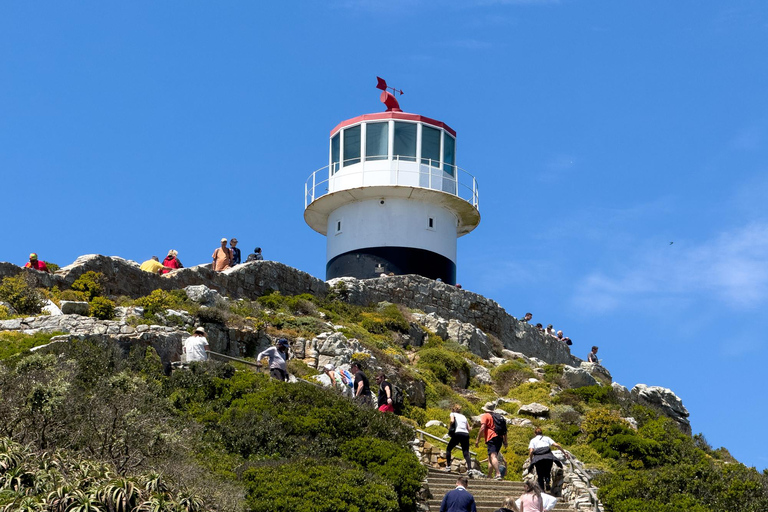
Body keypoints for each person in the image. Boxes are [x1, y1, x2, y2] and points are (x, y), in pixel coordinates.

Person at [528, 427, 567, 492]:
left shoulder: (533, 440)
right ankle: (547, 480)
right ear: (542, 433)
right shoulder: (547, 438)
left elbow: (531, 451)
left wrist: (531, 460)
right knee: (547, 471)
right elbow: (556, 445)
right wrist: (564, 453)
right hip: (548, 457)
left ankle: (542, 490)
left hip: (538, 458)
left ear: (535, 434)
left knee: (540, 474)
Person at [475, 403, 507, 480]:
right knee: (491, 457)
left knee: (493, 456)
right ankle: (489, 475)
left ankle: (498, 473)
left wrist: (477, 439)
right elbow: (505, 431)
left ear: (485, 409)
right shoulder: (498, 417)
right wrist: (505, 441)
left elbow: (482, 427)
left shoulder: (485, 416)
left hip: (491, 437)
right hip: (500, 438)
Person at [445, 404, 473, 473]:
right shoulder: (464, 416)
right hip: (465, 434)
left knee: (449, 449)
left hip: (457, 433)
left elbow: (452, 421)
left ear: (453, 409)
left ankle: (448, 466)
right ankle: (470, 469)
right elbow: (469, 429)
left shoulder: (452, 414)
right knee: (466, 452)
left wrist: (450, 427)